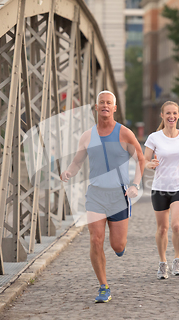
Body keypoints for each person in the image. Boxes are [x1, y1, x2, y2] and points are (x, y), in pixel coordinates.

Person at [60, 90, 145, 302]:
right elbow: (78, 161)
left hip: (118, 195)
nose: (105, 105)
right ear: (96, 107)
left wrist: (135, 184)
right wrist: (69, 171)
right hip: (96, 195)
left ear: (114, 108)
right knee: (95, 239)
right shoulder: (87, 136)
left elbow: (141, 160)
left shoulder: (124, 133)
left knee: (118, 245)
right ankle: (103, 286)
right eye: (101, 102)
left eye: (109, 103)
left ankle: (119, 248)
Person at [144, 101, 179, 280]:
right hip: (160, 188)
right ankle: (162, 263)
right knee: (162, 228)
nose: (172, 116)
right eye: (168, 113)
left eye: (175, 113)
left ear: (178, 115)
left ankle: (177, 260)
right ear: (162, 116)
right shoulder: (154, 137)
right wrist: (150, 164)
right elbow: (144, 159)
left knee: (176, 225)